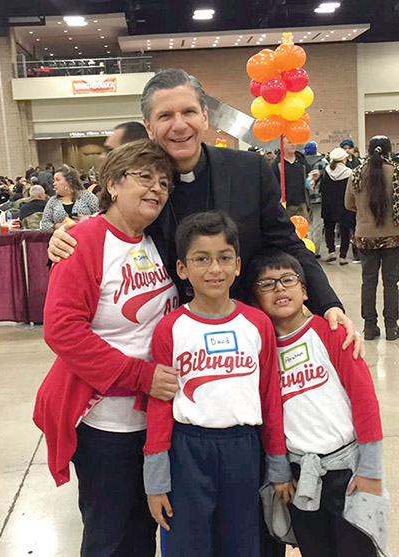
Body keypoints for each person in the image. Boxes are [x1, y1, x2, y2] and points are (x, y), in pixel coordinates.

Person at [48, 69, 362, 362]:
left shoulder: (249, 171)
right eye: (165, 116)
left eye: (188, 112)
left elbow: (289, 245)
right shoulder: (142, 188)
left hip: (244, 334)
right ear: (149, 127)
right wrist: (62, 241)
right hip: (168, 344)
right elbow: (108, 230)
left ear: (205, 117)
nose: (179, 125)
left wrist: (329, 304)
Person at [33, 139, 180, 556]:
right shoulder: (87, 240)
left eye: (165, 182)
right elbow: (61, 331)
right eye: (145, 178)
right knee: (110, 537)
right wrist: (142, 376)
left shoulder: (156, 240)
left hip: (153, 421)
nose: (156, 189)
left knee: (142, 530)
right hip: (106, 425)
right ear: (113, 184)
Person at [144, 211, 293, 556]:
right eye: (201, 259)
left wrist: (277, 461)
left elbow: (270, 396)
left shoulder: (257, 324)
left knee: (242, 543)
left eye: (224, 258)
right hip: (187, 450)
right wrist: (155, 478)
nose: (215, 269)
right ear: (182, 269)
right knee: (186, 543)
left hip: (243, 448)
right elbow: (160, 404)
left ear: (238, 265)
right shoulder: (170, 328)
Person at [249, 250, 390, 557]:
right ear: (255, 299)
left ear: (305, 290)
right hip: (301, 478)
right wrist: (280, 472)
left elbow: (364, 401)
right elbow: (271, 416)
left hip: (349, 472)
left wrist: (370, 470)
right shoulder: (263, 351)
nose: (279, 289)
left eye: (288, 280)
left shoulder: (331, 333)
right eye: (267, 284)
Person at [345, 135, 399, 341]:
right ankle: (392, 327)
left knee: (368, 282)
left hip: (365, 236)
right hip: (393, 236)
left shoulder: (356, 173)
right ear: (388, 151)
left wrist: (364, 214)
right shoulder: (396, 172)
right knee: (391, 282)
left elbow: (348, 204)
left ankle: (369, 327)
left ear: (368, 151)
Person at [320, 147, 355, 265]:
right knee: (345, 229)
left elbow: (322, 188)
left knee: (329, 228)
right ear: (344, 159)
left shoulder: (326, 171)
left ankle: (331, 251)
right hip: (344, 205)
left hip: (329, 204)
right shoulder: (349, 172)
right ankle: (343, 256)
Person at [40, 164, 99, 233]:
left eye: (58, 180)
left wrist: (86, 218)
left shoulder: (87, 196)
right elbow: (43, 224)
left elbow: (102, 215)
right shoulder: (53, 201)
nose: (54, 184)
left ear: (69, 182)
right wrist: (58, 226)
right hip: (62, 240)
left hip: (87, 237)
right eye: (54, 181)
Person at [271, 138, 311, 218]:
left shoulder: (301, 161)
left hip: (302, 203)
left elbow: (308, 179)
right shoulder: (277, 164)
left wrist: (313, 177)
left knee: (303, 229)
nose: (293, 144)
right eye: (289, 142)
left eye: (294, 142)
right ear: (283, 145)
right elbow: (272, 184)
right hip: (286, 205)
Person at [304, 141, 328, 258]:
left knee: (306, 225)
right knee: (318, 225)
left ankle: (306, 248)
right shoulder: (323, 162)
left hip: (305, 197)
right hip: (319, 197)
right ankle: (316, 251)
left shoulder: (301, 162)